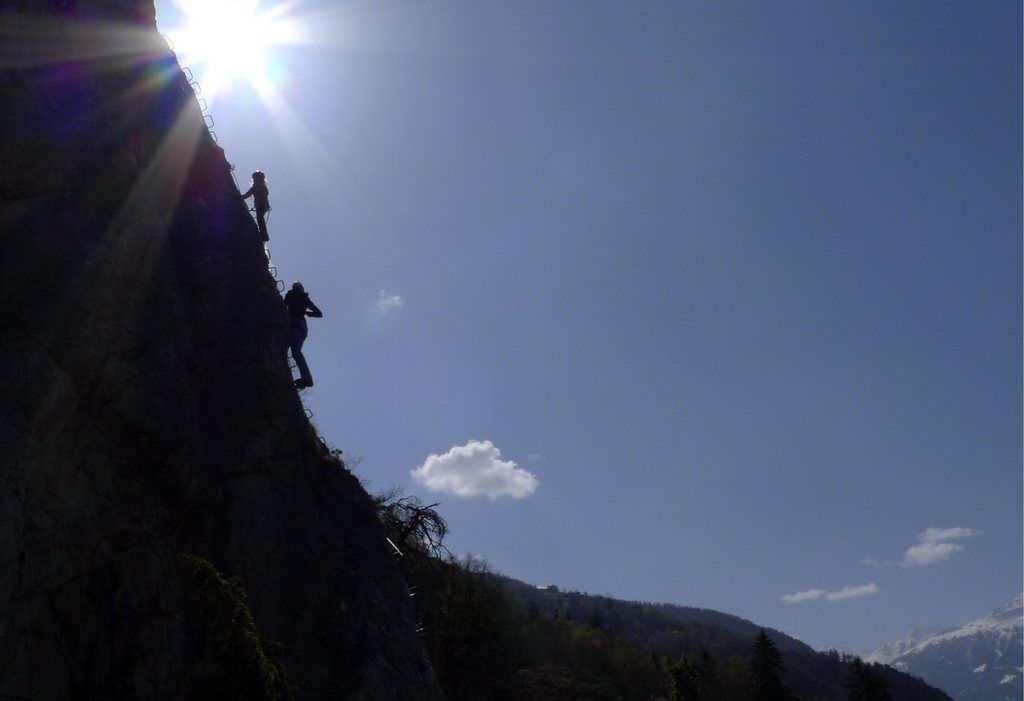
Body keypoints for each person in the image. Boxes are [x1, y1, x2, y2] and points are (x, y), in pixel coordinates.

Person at [283, 281, 323, 389]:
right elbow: (318, 313)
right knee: (288, 350)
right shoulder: (303, 298)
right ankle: (305, 377)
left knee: (295, 351)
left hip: (297, 326)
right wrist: (307, 313)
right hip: (298, 326)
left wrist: (305, 313)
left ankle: (306, 378)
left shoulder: (294, 296)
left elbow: (319, 314)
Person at [241, 170, 270, 241]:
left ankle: (264, 235)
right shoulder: (261, 187)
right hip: (263, 206)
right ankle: (264, 235)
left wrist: (238, 197)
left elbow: (246, 195)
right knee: (260, 218)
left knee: (260, 218)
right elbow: (247, 195)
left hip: (261, 205)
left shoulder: (258, 187)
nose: (255, 180)